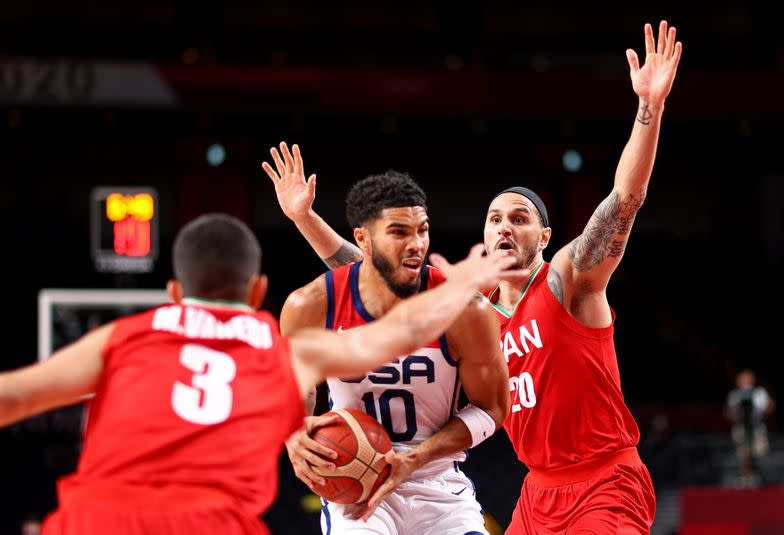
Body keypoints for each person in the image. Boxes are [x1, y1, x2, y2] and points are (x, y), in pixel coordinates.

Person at [264, 20, 682, 534]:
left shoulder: (568, 281)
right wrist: (305, 218)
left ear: (545, 236)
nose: (504, 225)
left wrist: (650, 108)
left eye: (520, 217)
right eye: (495, 218)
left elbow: (623, 202)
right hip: (538, 487)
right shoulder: (470, 305)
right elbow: (371, 268)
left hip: (605, 479)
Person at [0, 213, 516, 535]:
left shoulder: (125, 337)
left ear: (173, 293)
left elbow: (7, 396)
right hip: (213, 523)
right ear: (259, 291)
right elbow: (393, 334)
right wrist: (458, 286)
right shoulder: (282, 349)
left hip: (95, 520)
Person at [263, 148, 511, 535]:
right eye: (398, 232)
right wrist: (296, 432)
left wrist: (415, 458)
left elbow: (493, 408)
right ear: (362, 238)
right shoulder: (310, 305)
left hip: (438, 483)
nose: (416, 243)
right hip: (355, 484)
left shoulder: (468, 311)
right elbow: (296, 392)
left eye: (422, 230)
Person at [725, 369, 774, 487]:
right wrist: (737, 414)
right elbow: (728, 413)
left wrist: (762, 411)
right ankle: (747, 479)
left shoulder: (759, 393)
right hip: (741, 429)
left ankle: (761, 478)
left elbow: (770, 407)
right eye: (742, 379)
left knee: (760, 453)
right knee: (743, 455)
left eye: (747, 378)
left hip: (757, 429)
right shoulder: (734, 395)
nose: (745, 381)